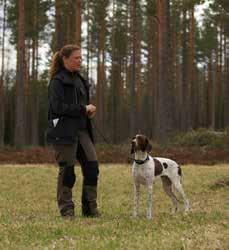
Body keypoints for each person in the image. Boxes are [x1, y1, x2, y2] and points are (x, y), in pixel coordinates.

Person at [46, 44, 100, 218]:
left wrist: (88, 113)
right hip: (63, 132)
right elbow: (57, 107)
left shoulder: (80, 80)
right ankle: (67, 210)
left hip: (82, 131)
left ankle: (90, 209)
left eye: (81, 57)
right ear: (65, 59)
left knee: (92, 166)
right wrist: (83, 109)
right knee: (67, 171)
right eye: (76, 58)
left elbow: (82, 107)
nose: (80, 61)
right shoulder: (57, 81)